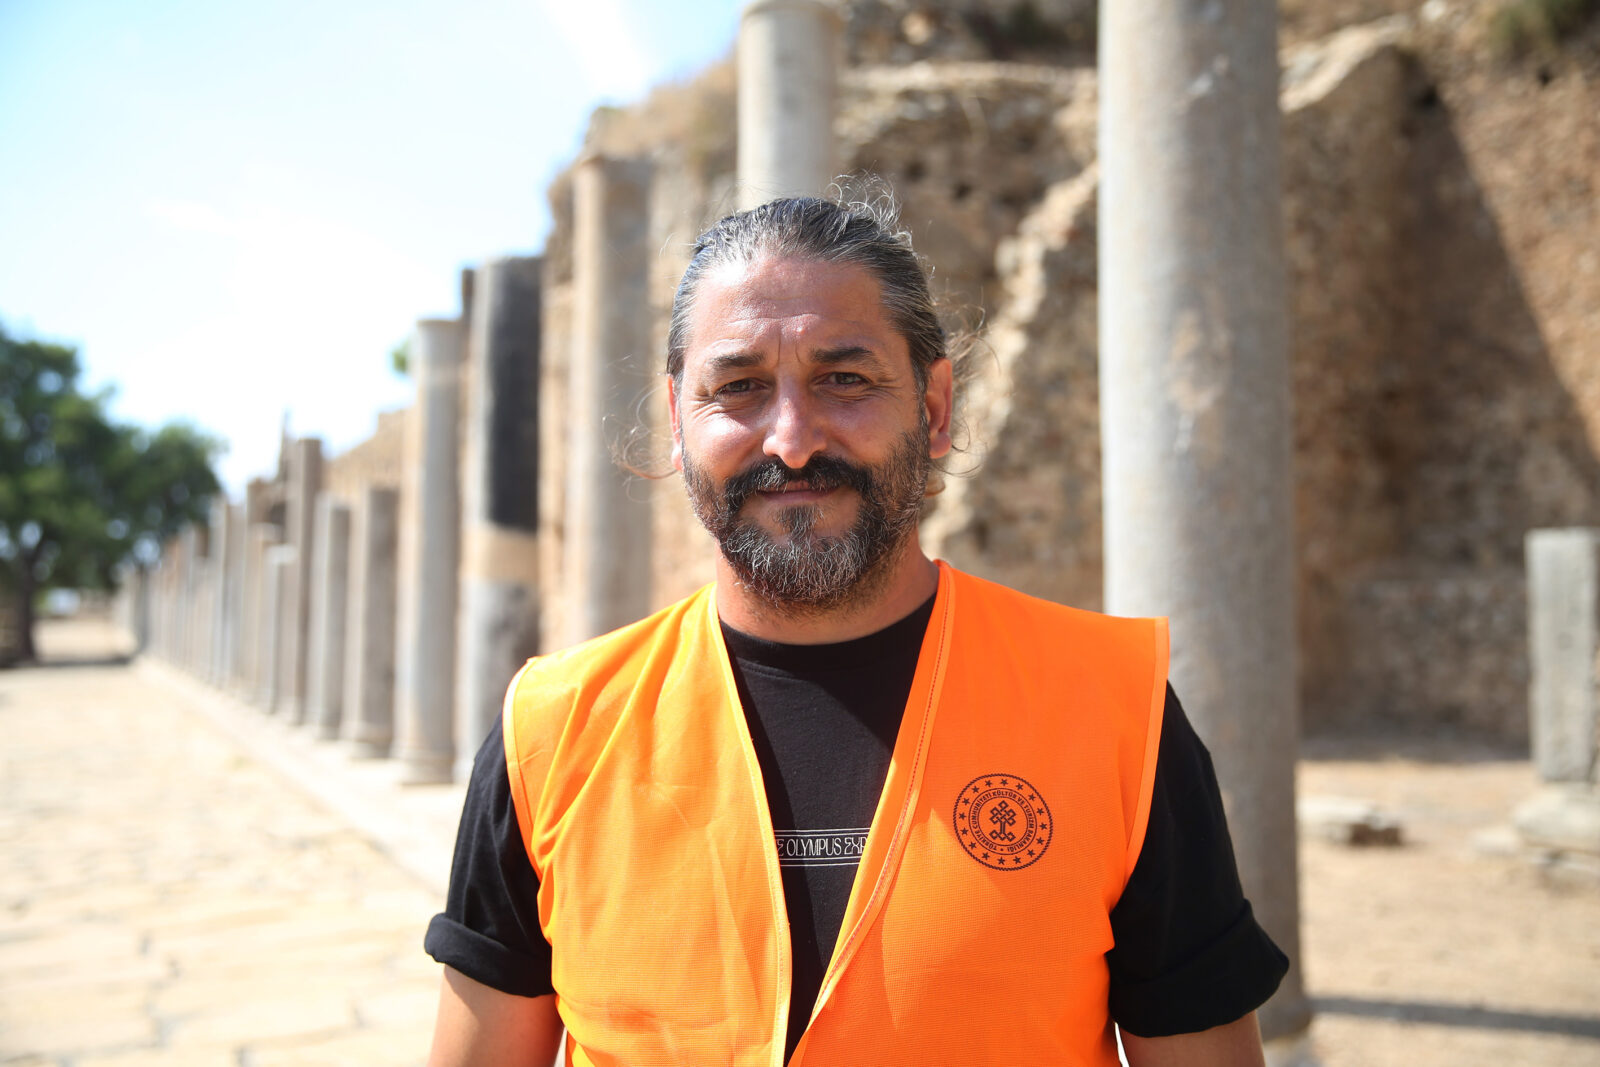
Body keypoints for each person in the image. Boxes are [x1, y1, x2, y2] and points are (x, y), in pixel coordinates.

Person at [424, 194, 1289, 1066]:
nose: (792, 440)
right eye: (740, 387)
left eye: (846, 378)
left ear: (936, 407)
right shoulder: (553, 731)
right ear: (679, 422)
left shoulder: (1114, 712)